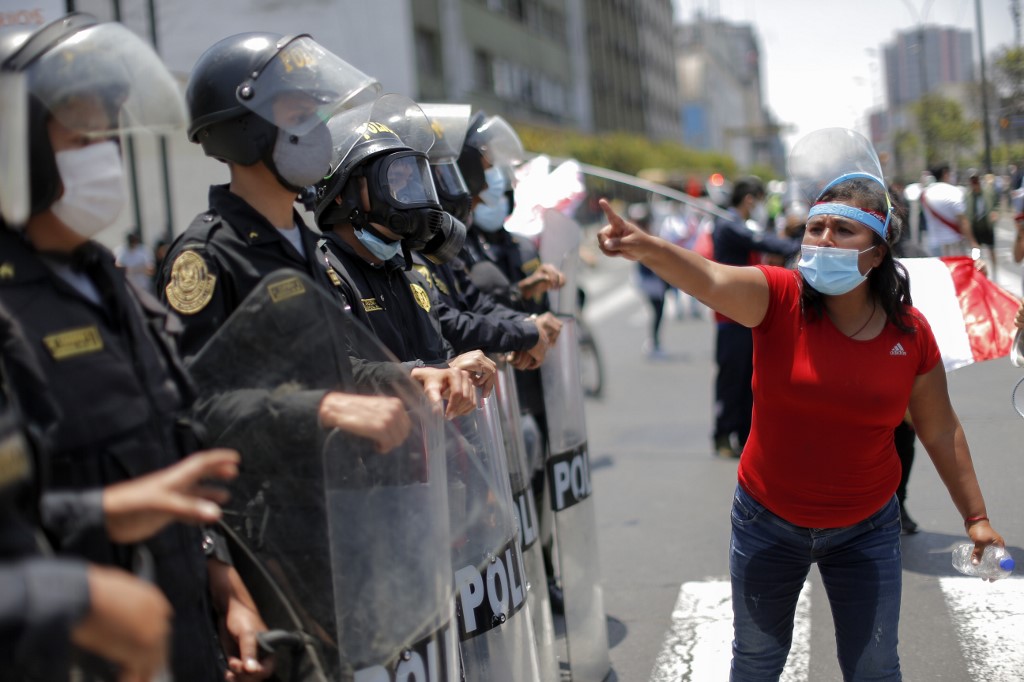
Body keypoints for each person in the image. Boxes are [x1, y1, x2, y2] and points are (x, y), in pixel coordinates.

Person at [596, 127, 1005, 681]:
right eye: (815, 227)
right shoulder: (778, 298)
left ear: (877, 251)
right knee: (758, 662)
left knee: (875, 668)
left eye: (842, 230)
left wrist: (976, 518)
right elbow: (711, 278)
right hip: (768, 522)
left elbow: (939, 430)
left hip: (867, 529)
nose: (822, 240)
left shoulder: (911, 333)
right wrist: (646, 246)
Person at [0, 15, 270, 680]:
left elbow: (173, 460)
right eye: (81, 136)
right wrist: (107, 514)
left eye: (110, 135)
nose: (106, 155)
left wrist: (224, 583)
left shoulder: (115, 290)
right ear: (16, 152)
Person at [157, 31, 475, 419]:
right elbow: (196, 403)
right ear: (244, 132)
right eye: (299, 118)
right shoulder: (207, 257)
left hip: (341, 477)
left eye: (318, 118)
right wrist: (321, 409)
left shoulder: (306, 248)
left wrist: (419, 375)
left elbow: (339, 370)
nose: (319, 133)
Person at [710, 177, 800, 458]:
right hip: (730, 314)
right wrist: (797, 246)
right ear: (749, 199)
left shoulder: (741, 224)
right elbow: (760, 241)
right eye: (759, 199)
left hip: (750, 313)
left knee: (752, 379)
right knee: (731, 378)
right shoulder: (728, 225)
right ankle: (723, 435)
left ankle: (746, 435)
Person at [629, 203, 671, 358]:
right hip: (649, 279)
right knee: (657, 312)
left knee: (658, 312)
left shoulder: (646, 235)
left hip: (651, 279)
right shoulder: (642, 237)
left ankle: (654, 343)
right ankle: (653, 343)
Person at [921, 164, 978, 257]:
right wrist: (973, 243)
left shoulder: (925, 193)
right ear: (945, 174)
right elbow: (963, 221)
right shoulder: (954, 191)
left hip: (933, 243)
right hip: (953, 243)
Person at [964, 171, 999, 278]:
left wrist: (995, 212)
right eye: (972, 181)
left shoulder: (988, 192)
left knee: (991, 249)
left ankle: (995, 273)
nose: (975, 183)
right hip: (975, 226)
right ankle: (977, 272)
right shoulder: (968, 195)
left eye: (976, 180)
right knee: (976, 250)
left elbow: (995, 203)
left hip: (986, 225)